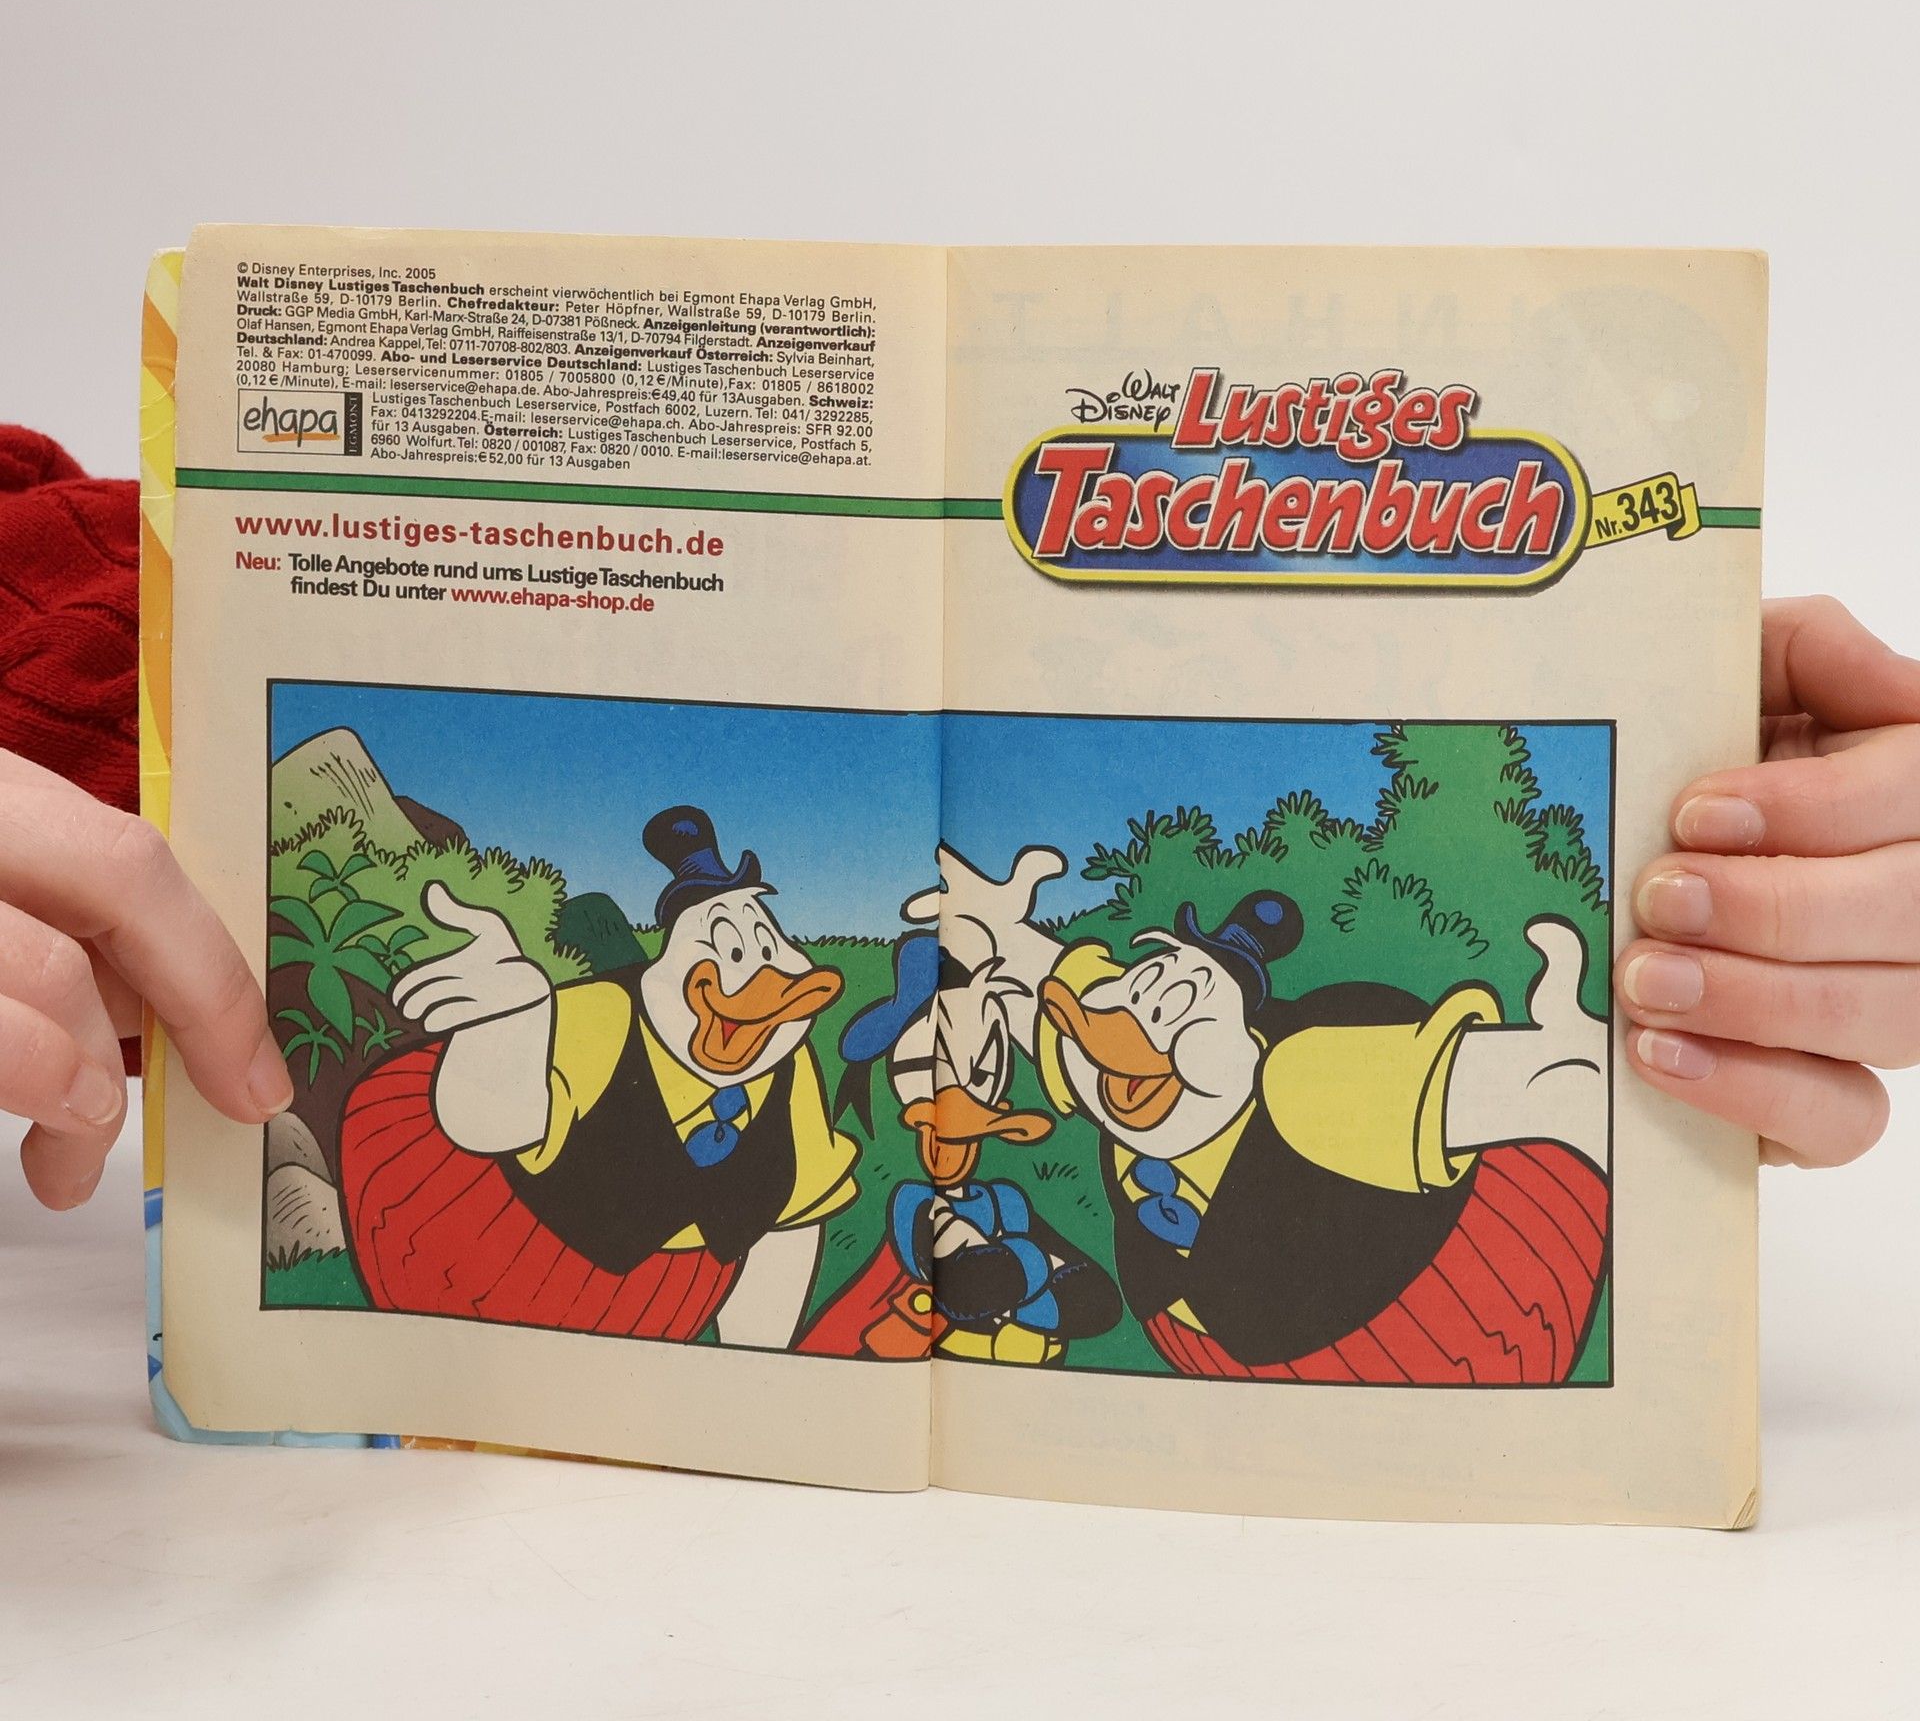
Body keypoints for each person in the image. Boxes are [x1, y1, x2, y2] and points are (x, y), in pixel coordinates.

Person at [0, 426, 1911, 1216]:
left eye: (759, 934)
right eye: (727, 937)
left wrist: (1651, 779)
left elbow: (1411, 1083)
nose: (756, 954)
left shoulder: (1287, 1084)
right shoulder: (639, 1040)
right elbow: (513, 1105)